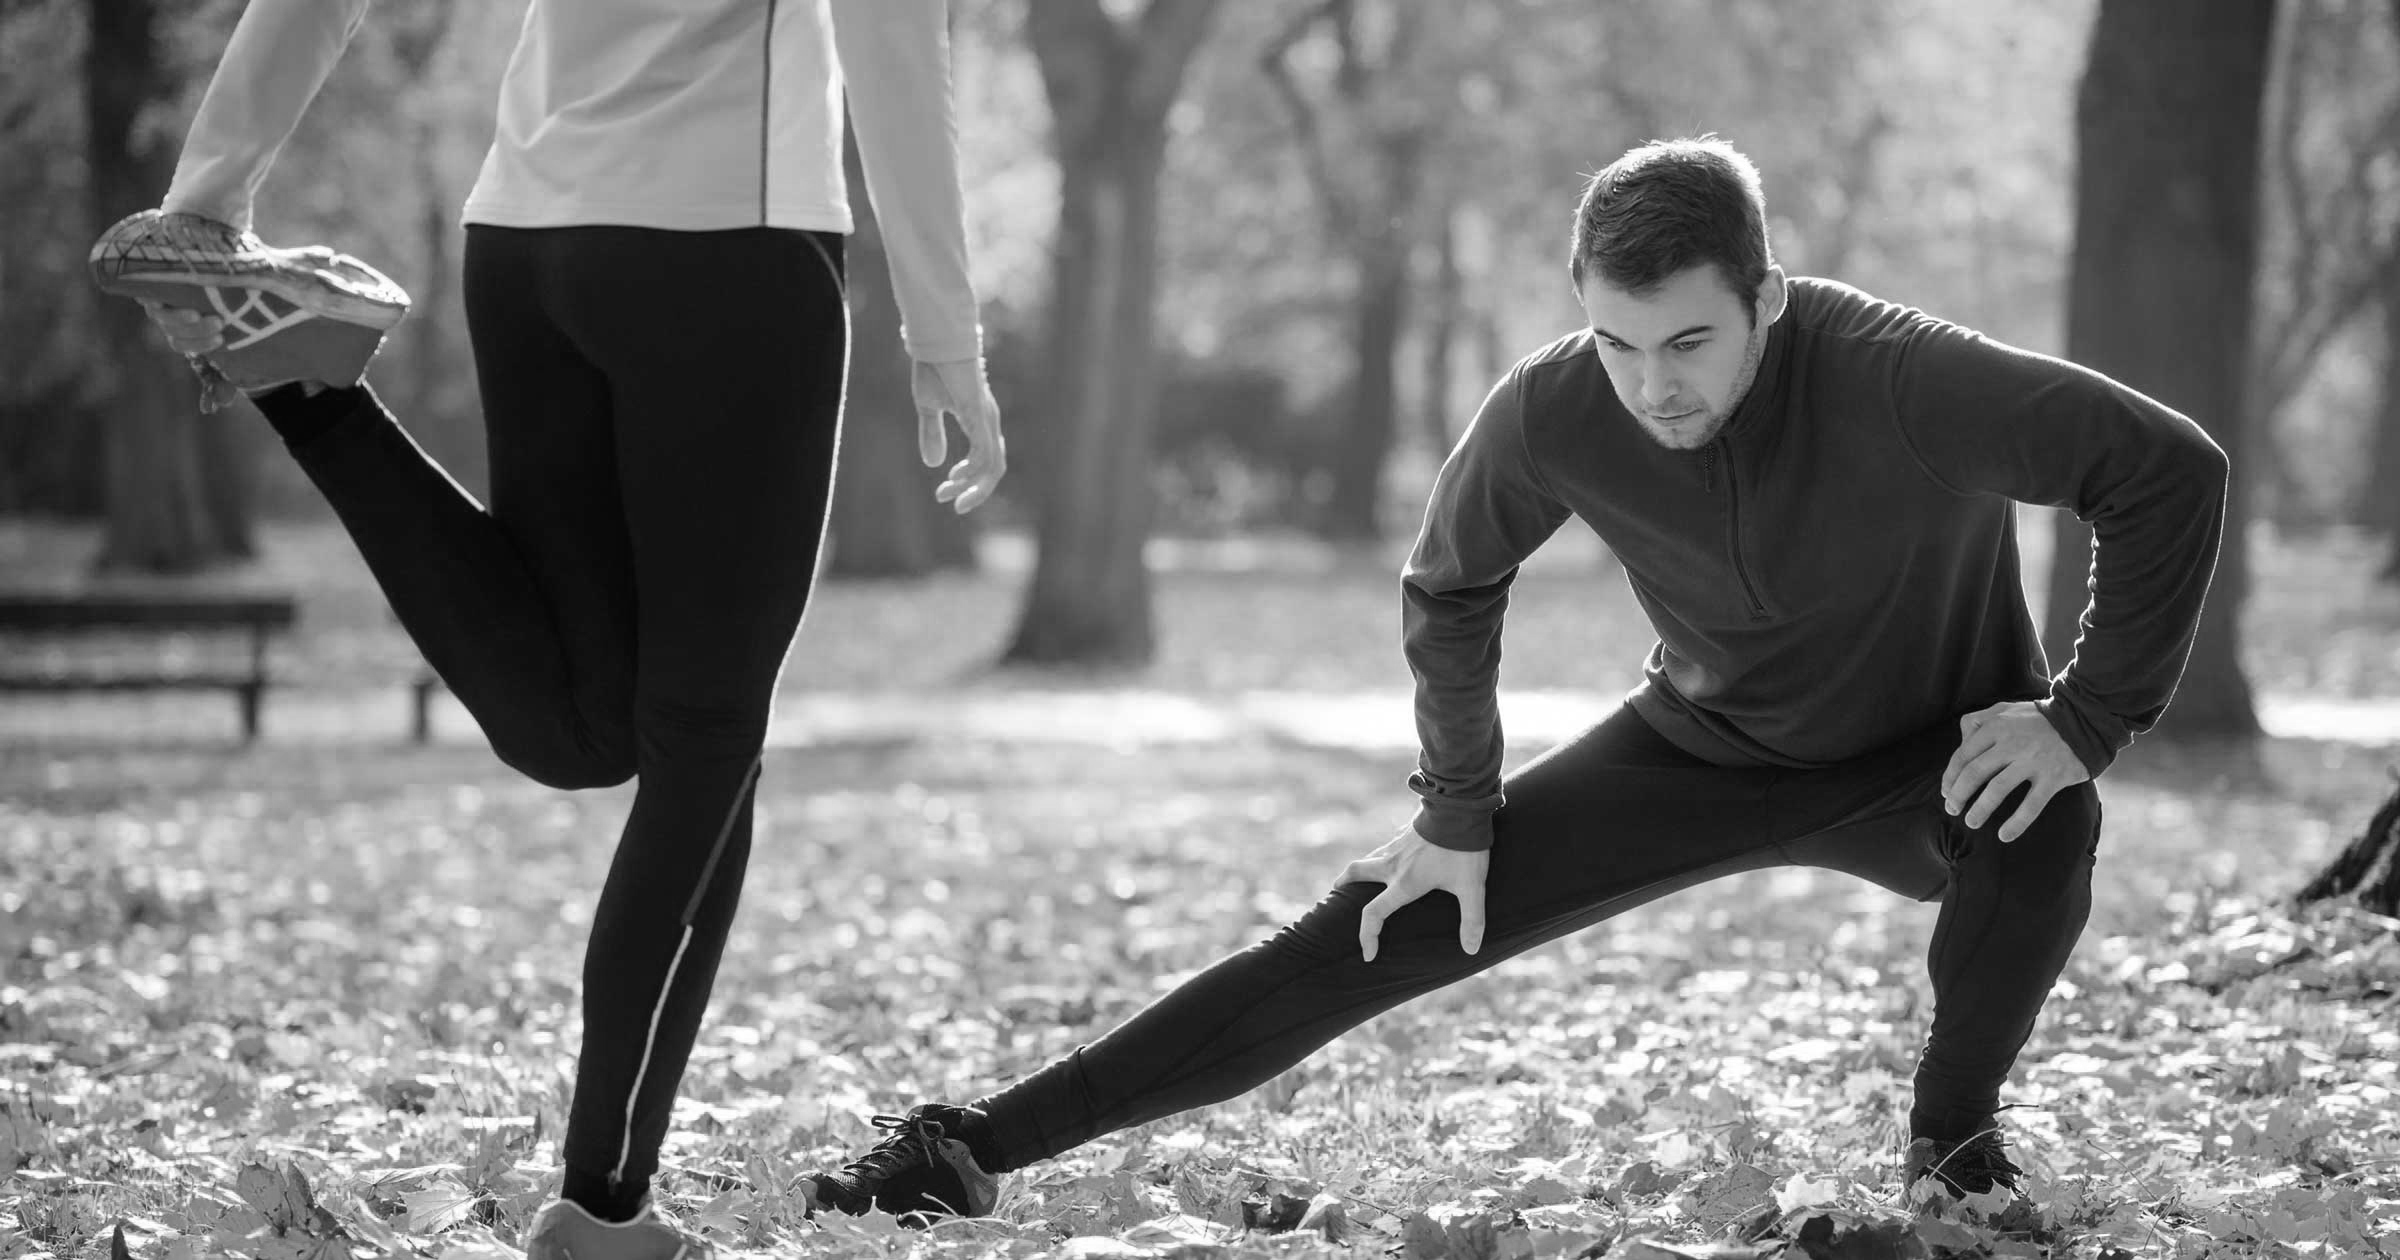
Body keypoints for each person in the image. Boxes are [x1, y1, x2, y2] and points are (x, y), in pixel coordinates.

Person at [795, 135, 2228, 1222]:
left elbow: (2165, 470)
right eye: (1619, 342)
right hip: (1701, 753)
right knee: (1371, 927)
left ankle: (1956, 1160)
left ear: (1767, 299)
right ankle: (967, 1148)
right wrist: (1459, 810)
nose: (1654, 385)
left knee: (2053, 818)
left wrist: (2086, 714)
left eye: (1690, 343)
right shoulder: (1554, 404)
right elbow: (1449, 579)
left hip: (1932, 762)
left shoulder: (1906, 376)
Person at [93, 2, 1006, 1256]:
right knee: (705, 738)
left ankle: (306, 385)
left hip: (527, 244)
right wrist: (944, 331)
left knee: (586, 727)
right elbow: (894, 35)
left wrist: (209, 199)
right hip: (728, 252)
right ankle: (602, 1208)